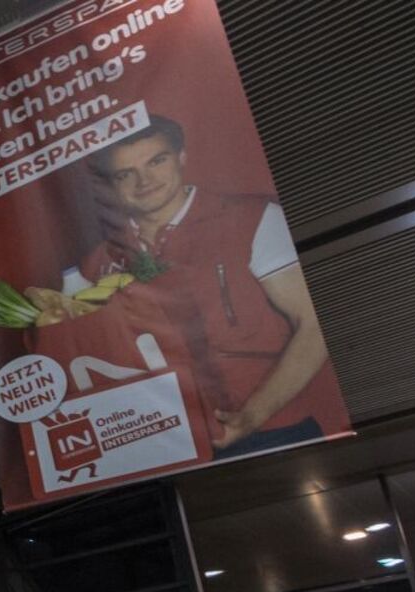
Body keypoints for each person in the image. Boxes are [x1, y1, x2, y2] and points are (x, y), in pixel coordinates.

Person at [65, 114, 345, 459]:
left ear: (181, 157)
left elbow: (313, 324)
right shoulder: (96, 264)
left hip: (274, 430)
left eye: (157, 160)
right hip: (168, 449)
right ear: (111, 184)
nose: (144, 181)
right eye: (126, 173)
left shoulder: (251, 219)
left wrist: (250, 417)